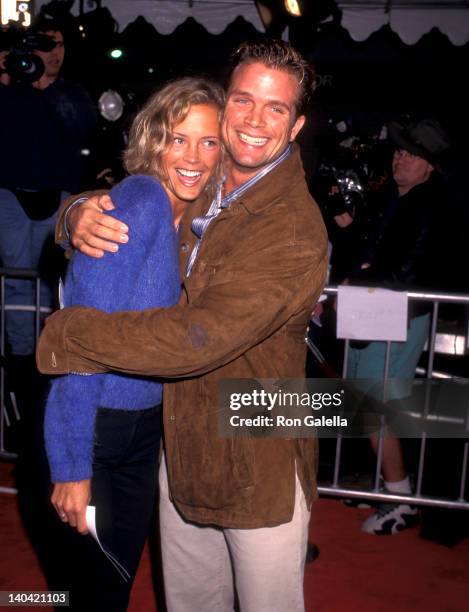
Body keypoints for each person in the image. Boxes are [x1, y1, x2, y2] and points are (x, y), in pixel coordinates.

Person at [37, 39, 328, 612]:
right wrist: (74, 216)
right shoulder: (207, 187)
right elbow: (140, 198)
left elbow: (201, 336)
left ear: (295, 127)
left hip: (257, 454)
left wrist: (70, 334)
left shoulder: (291, 227)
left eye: (276, 109)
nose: (254, 121)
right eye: (244, 101)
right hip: (180, 445)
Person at [43, 77, 224, 611]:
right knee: (94, 589)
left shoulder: (188, 215)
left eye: (209, 141)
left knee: (112, 581)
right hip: (98, 428)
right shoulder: (143, 201)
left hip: (144, 430)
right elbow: (81, 337)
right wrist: (72, 465)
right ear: (152, 141)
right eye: (178, 138)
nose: (194, 156)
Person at [346, 117, 451, 535]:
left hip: (396, 317)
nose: (400, 157)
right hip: (376, 313)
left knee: (376, 410)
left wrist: (363, 278)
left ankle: (401, 499)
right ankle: (386, 488)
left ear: (430, 165)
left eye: (411, 153)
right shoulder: (396, 198)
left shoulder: (431, 205)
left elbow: (413, 270)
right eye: (399, 151)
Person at [0, 15, 96, 361]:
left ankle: (52, 352)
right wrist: (6, 77)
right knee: (15, 279)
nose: (53, 53)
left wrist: (46, 85)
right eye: (44, 46)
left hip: (57, 199)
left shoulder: (70, 92)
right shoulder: (10, 91)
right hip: (10, 196)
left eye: (59, 44)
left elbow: (80, 128)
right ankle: (22, 356)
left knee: (52, 277)